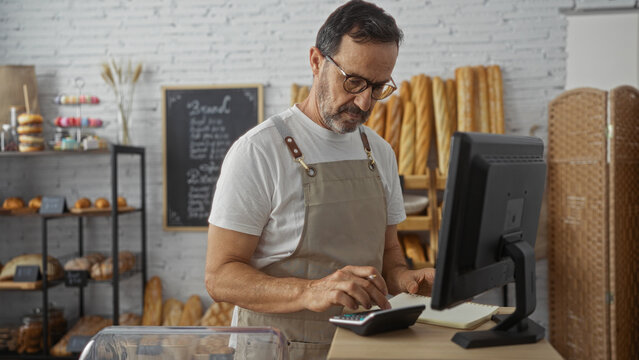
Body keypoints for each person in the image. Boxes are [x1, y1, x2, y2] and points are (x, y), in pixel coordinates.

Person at [205, 1, 435, 358]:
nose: (363, 102)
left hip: (362, 347)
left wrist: (408, 280)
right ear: (316, 61)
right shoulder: (258, 151)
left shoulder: (380, 152)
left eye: (377, 87)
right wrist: (310, 291)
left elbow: (389, 255)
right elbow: (219, 277)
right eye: (354, 81)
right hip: (277, 349)